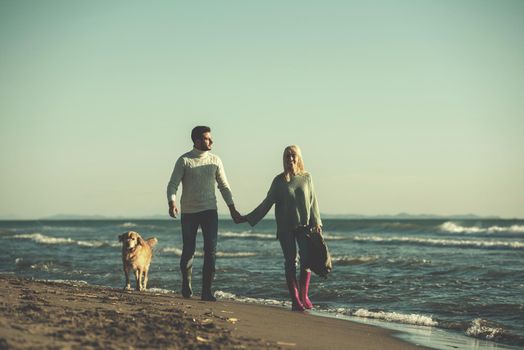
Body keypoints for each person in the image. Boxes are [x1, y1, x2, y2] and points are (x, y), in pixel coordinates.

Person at [237, 145, 322, 311]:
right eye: (287, 156)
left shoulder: (307, 177)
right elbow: (266, 203)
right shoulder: (278, 181)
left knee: (306, 260)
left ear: (299, 157)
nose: (290, 158)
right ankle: (295, 299)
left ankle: (304, 296)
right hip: (285, 228)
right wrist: (248, 218)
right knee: (291, 261)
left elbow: (313, 200)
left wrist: (317, 221)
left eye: (293, 155)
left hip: (304, 226)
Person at [167, 126, 242, 301]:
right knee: (188, 250)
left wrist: (232, 209)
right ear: (197, 141)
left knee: (211, 251)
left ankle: (206, 291)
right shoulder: (185, 160)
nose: (212, 141)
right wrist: (172, 203)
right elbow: (172, 185)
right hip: (189, 212)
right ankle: (186, 285)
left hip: (210, 211)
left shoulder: (215, 160)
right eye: (208, 138)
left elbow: (224, 186)